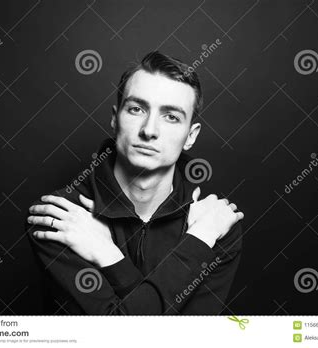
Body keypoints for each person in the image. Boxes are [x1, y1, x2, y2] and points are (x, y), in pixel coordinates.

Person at [26, 51, 244, 314]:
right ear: (115, 119)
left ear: (191, 136)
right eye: (137, 109)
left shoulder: (215, 225)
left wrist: (108, 256)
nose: (149, 130)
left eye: (171, 116)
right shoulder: (62, 217)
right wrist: (197, 244)